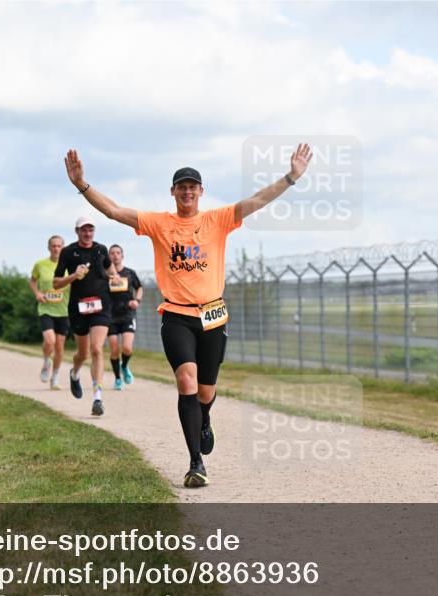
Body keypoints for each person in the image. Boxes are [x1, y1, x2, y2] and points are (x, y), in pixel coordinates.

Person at [64, 142, 312, 487]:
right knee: (186, 381)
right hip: (176, 316)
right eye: (181, 187)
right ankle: (196, 462)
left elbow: (257, 201)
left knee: (205, 392)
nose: (187, 192)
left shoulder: (218, 220)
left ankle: (204, 418)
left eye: (193, 187)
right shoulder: (158, 223)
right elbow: (114, 211)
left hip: (212, 315)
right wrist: (81, 184)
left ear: (201, 192)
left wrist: (290, 177)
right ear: (173, 192)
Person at [53, 217, 118, 416]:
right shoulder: (68, 252)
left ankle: (97, 397)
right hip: (78, 307)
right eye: (84, 230)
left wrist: (114, 276)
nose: (87, 234)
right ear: (77, 231)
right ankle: (74, 373)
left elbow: (110, 269)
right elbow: (56, 283)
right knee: (83, 354)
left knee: (97, 348)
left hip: (101, 305)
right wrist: (74, 276)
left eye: (90, 230)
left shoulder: (101, 249)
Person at [29, 235, 70, 389]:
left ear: (63, 248)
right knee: (49, 341)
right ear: (48, 247)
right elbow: (32, 280)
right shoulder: (40, 264)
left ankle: (55, 377)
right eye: (53, 246)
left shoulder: (69, 266)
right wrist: (37, 293)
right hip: (46, 309)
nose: (56, 249)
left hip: (64, 310)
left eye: (59, 246)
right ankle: (47, 361)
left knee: (59, 347)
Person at [106, 244, 143, 390]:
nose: (115, 255)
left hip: (127, 314)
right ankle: (117, 379)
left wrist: (137, 300)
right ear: (109, 257)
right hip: (110, 315)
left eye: (118, 253)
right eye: (112, 253)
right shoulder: (105, 274)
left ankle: (124, 366)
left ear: (122, 256)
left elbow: (139, 288)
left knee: (127, 348)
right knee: (114, 349)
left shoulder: (129, 273)